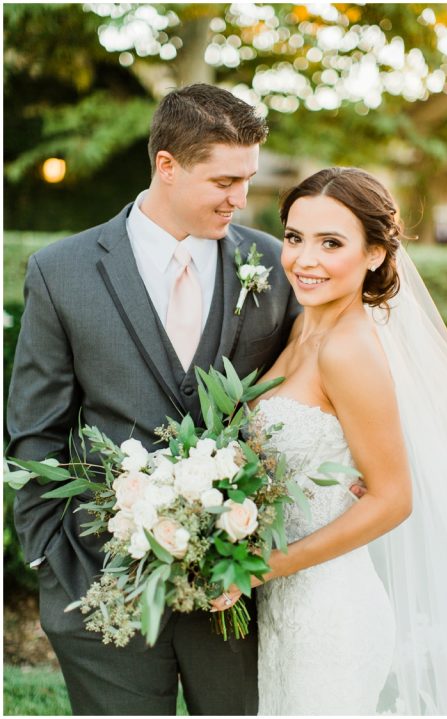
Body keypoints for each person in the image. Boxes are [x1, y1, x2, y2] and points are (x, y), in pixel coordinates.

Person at [7, 83, 299, 714]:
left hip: (236, 588)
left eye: (247, 179)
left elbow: (312, 391)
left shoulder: (274, 266)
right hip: (104, 581)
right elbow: (34, 432)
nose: (240, 199)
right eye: (224, 181)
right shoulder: (64, 271)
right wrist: (53, 564)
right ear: (167, 165)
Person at [209, 167, 447, 715]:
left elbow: (393, 498)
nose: (305, 260)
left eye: (331, 243)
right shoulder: (303, 328)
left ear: (376, 253)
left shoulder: (349, 350)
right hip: (288, 607)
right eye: (294, 238)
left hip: (331, 617)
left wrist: (262, 566)